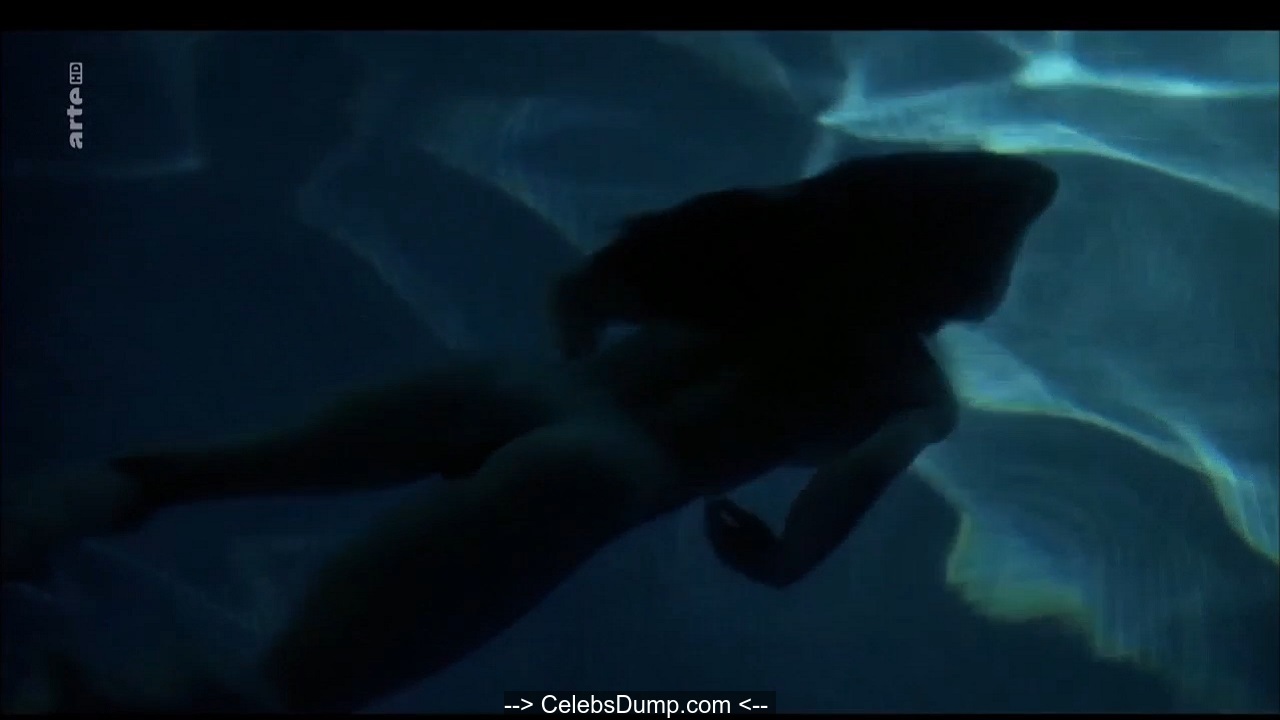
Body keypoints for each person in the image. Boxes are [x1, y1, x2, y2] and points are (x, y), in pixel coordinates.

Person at [1, 150, 1058, 712]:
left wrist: (572, 372)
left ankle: (41, 520)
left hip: (525, 394)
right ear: (974, 279)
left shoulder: (748, 254)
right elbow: (847, 484)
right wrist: (779, 560)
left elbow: (581, 297)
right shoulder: (910, 391)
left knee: (201, 472)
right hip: (607, 472)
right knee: (304, 683)